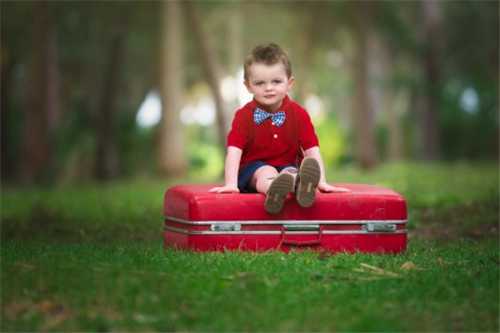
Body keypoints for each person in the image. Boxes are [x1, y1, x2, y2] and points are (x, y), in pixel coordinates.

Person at [210, 43, 348, 214]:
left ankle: (299, 186)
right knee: (264, 172)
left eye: (276, 81)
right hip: (253, 169)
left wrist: (322, 182)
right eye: (260, 83)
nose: (269, 88)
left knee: (291, 172)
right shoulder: (243, 116)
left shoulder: (299, 114)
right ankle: (273, 189)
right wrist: (230, 184)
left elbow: (312, 150)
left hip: (287, 166)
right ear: (248, 86)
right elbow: (234, 151)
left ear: (289, 83)